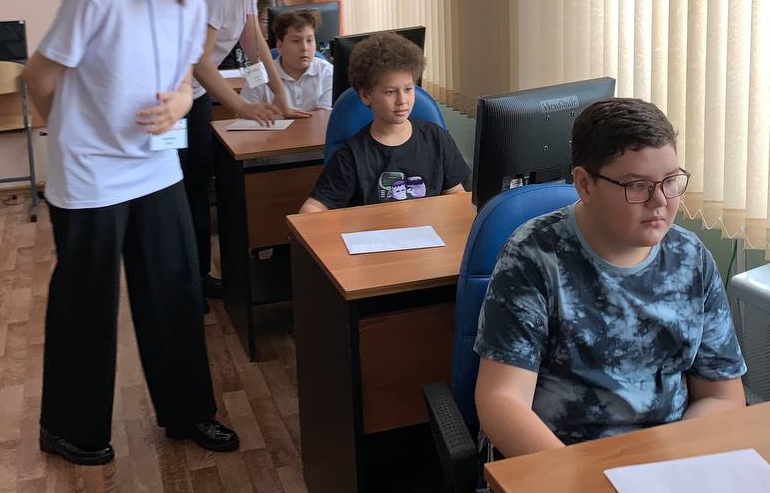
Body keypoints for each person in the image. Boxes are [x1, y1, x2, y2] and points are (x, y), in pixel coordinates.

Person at [23, 0, 240, 466]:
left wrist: (179, 105)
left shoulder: (191, 5)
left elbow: (184, 80)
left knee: (176, 292)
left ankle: (189, 412)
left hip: (155, 167)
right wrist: (71, 135)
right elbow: (38, 76)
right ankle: (70, 429)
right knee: (86, 305)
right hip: (91, 175)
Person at [473, 98, 746, 457]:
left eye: (670, 181)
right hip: (560, 459)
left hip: (667, 458)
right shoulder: (534, 256)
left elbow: (722, 396)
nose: (660, 201)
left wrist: (666, 461)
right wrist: (578, 476)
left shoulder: (690, 258)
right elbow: (502, 399)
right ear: (584, 184)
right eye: (638, 186)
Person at [183, 0, 307, 300]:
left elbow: (253, 44)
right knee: (188, 192)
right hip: (177, 98)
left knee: (197, 184)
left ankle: (198, 276)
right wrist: (242, 106)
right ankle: (189, 284)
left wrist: (280, 93)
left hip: (195, 95)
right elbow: (198, 59)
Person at [299, 32, 468, 212]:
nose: (402, 100)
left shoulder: (436, 138)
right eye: (390, 92)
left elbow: (456, 194)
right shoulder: (352, 155)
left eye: (408, 89)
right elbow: (312, 208)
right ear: (366, 95)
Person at [241, 9, 333, 112]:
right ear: (280, 46)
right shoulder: (256, 73)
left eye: (309, 40)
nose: (305, 48)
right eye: (296, 41)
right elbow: (244, 113)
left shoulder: (328, 71)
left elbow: (324, 116)